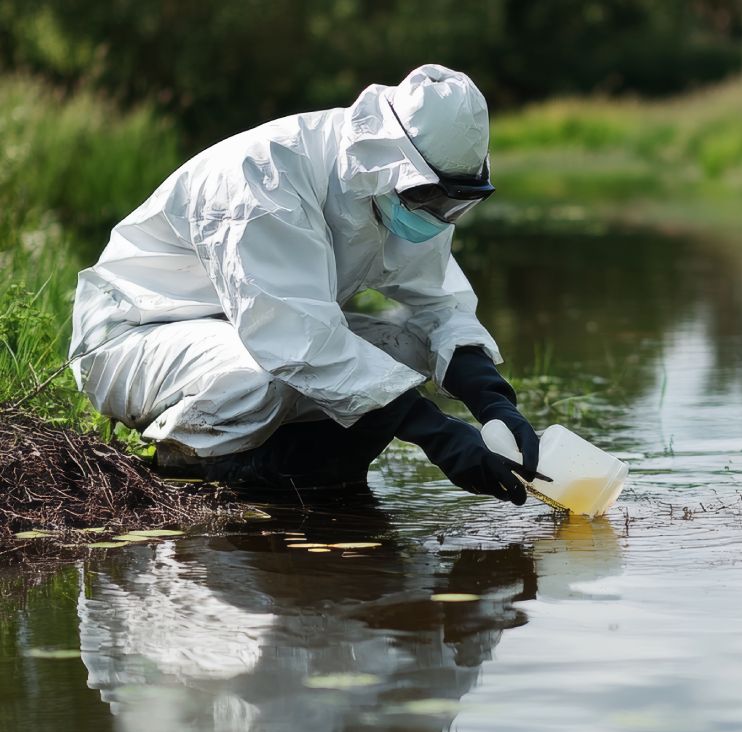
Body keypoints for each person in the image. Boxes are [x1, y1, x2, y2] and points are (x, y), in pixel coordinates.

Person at [69, 64, 541, 502]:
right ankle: (193, 464)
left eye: (453, 203)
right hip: (136, 337)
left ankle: (307, 466)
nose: (438, 214)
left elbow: (439, 305)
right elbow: (292, 337)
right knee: (266, 372)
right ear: (390, 164)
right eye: (430, 196)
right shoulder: (265, 175)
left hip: (242, 330)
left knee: (406, 348)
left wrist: (493, 401)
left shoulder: (400, 195)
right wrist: (435, 432)